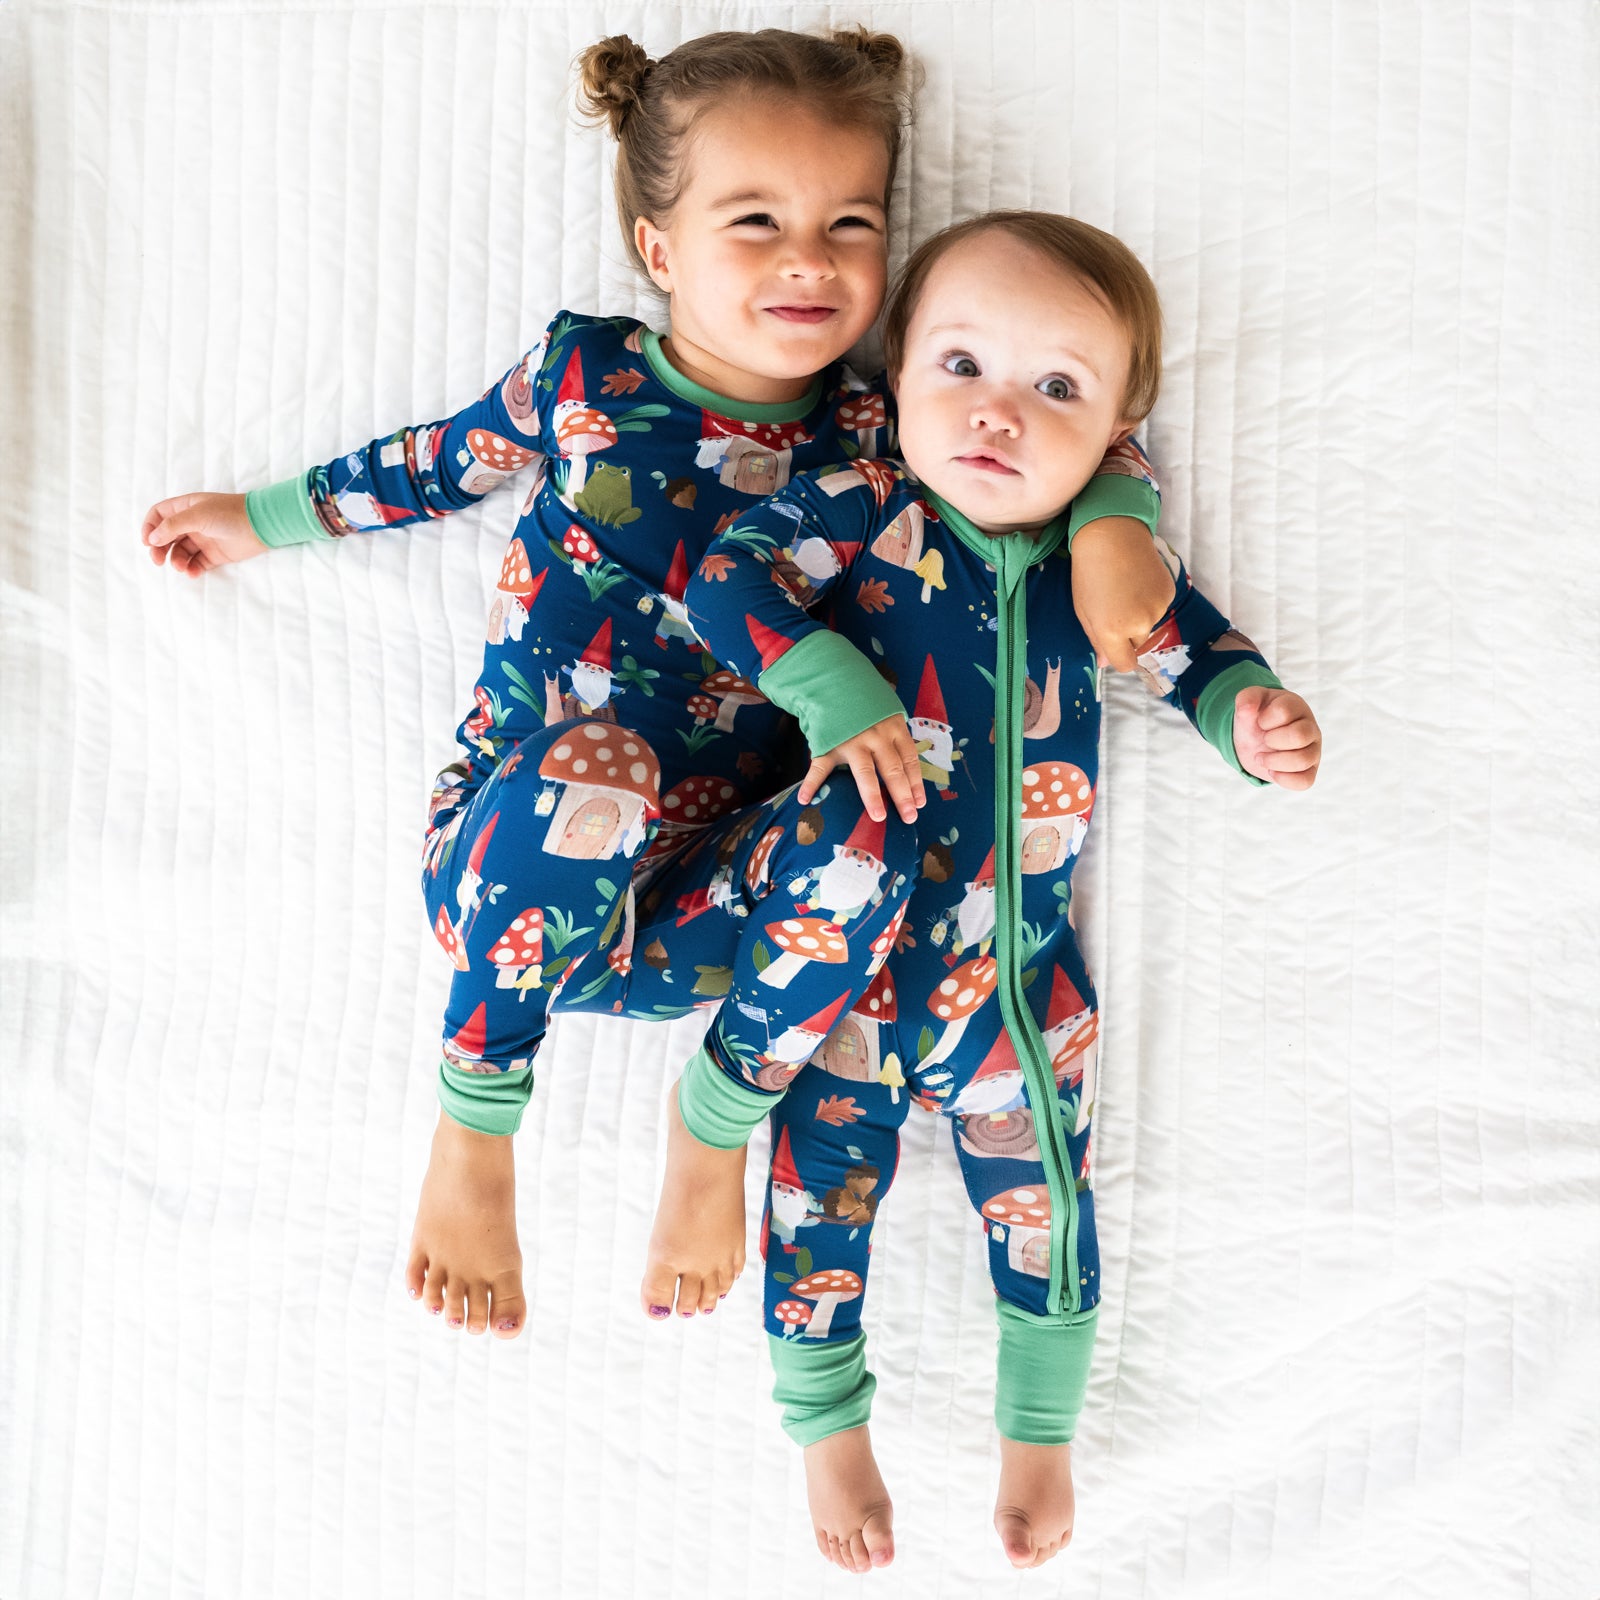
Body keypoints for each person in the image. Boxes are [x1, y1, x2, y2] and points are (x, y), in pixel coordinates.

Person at [138, 32, 1178, 1356]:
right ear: (661, 249)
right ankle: (474, 1120)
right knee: (597, 772)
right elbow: (439, 464)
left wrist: (1120, 517)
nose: (810, 259)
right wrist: (261, 516)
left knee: (876, 824)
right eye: (758, 223)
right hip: (518, 866)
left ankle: (717, 1125)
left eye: (850, 224)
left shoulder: (882, 436)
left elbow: (1064, 417)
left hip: (720, 924)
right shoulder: (588, 380)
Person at [680, 209, 1323, 1572]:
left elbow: (1189, 653)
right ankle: (825, 1427)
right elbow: (729, 580)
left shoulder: (1105, 570)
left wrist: (1246, 715)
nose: (997, 415)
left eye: (1058, 391)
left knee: (1050, 1211)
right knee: (813, 1210)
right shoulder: (865, 504)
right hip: (834, 960)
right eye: (962, 365)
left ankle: (1038, 1435)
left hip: (1014, 1000)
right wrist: (830, 685)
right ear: (898, 375)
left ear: (1112, 442)